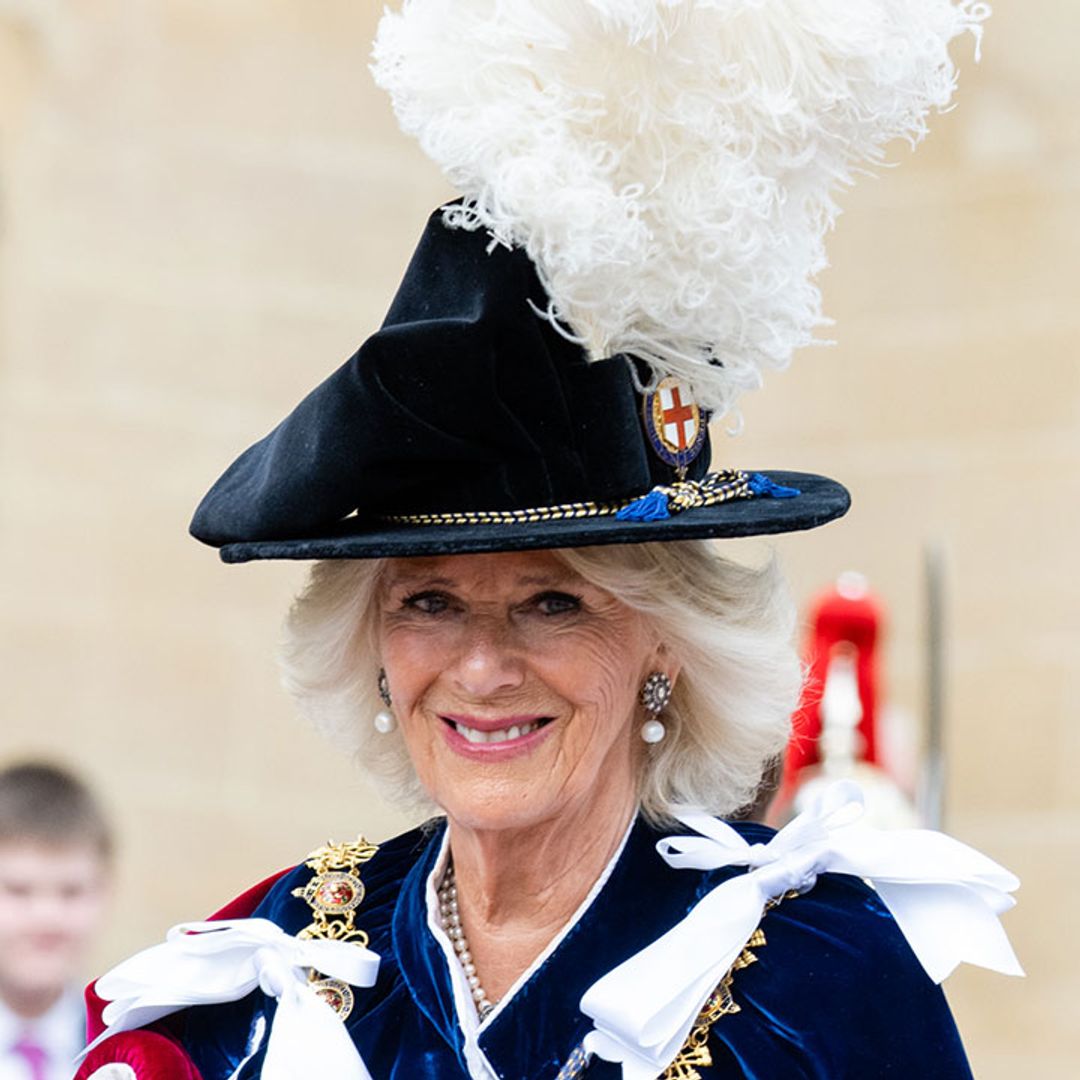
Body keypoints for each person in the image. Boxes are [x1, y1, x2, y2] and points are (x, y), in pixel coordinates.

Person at [76, 3, 1019, 1078]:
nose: (480, 666)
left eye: (553, 601)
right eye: (427, 601)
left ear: (667, 645)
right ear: (373, 652)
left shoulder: (826, 979)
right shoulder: (275, 964)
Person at [0, 763, 111, 1080]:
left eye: (71, 892)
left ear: (104, 892)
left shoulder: (123, 1051)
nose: (47, 918)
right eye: (18, 891)